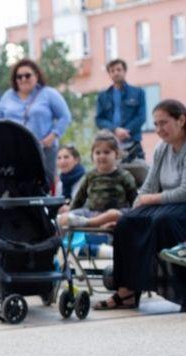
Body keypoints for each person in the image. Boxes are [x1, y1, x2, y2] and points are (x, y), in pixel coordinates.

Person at [96, 100, 186, 310]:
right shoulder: (162, 148)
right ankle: (126, 293)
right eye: (155, 124)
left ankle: (182, 291)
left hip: (181, 205)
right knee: (127, 222)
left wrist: (152, 199)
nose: (159, 130)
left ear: (181, 120)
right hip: (168, 204)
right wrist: (134, 207)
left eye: (163, 123)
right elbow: (148, 186)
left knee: (162, 221)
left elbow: (184, 190)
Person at [0, 59, 72, 186]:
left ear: (36, 75)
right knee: (16, 186)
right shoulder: (7, 96)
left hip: (42, 149)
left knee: (42, 185)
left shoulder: (48, 94)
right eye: (19, 76)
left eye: (27, 75)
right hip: (14, 151)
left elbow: (65, 116)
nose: (23, 79)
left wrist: (53, 136)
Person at [58, 131, 137, 229]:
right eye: (98, 152)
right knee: (62, 218)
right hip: (92, 213)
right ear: (92, 156)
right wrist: (70, 212)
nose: (102, 156)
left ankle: (90, 223)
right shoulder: (90, 176)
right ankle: (98, 224)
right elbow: (79, 199)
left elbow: (135, 201)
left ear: (116, 154)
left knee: (115, 214)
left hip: (114, 213)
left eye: (106, 152)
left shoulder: (124, 175)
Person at [95, 58, 147, 163]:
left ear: (124, 71)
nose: (116, 73)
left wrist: (125, 131)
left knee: (139, 174)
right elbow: (99, 119)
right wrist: (115, 130)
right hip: (110, 144)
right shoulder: (102, 95)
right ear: (109, 74)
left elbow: (141, 117)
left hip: (133, 143)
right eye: (112, 70)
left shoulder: (138, 92)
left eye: (119, 69)